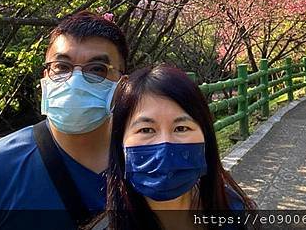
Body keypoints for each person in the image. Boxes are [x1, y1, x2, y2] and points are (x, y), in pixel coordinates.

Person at [0, 11, 129, 230]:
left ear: (123, 85)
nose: (75, 81)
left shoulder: (147, 162)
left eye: (97, 70)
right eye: (61, 67)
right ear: (45, 77)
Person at [91, 65, 255, 230]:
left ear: (206, 136)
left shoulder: (234, 211)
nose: (165, 146)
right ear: (120, 142)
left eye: (181, 128)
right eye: (146, 130)